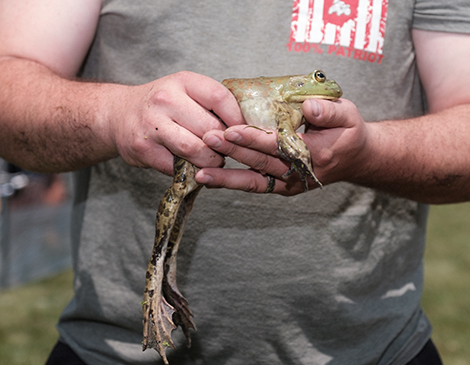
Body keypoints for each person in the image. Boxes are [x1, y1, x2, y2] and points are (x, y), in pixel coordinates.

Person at [1, 1, 469, 364]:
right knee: (174, 218)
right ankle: (157, 301)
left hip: (372, 350)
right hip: (112, 348)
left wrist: (369, 152)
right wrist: (113, 115)